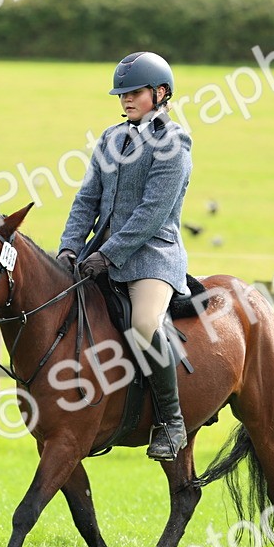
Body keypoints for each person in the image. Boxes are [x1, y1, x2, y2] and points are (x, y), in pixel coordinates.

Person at [57, 52, 193, 461]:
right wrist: (70, 246)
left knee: (142, 322)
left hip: (152, 257)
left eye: (134, 92)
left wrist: (108, 255)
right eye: (122, 94)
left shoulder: (174, 143)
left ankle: (172, 422)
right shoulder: (110, 139)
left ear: (161, 92)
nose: (126, 100)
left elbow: (151, 214)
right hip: (101, 253)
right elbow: (87, 200)